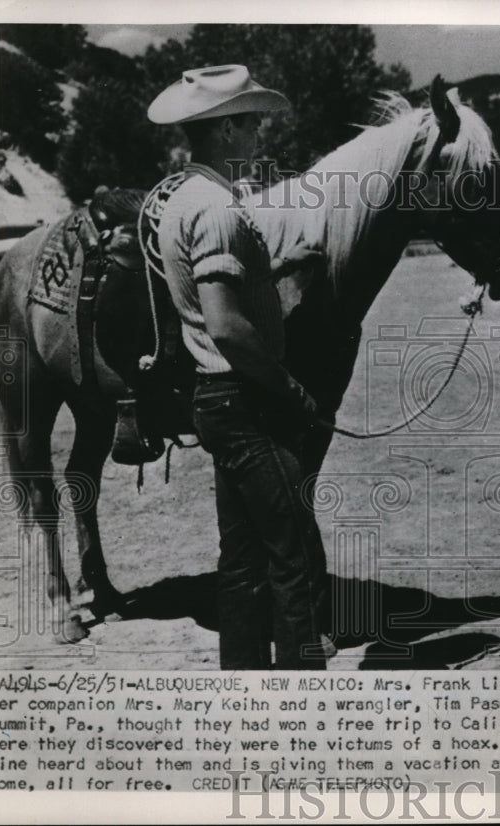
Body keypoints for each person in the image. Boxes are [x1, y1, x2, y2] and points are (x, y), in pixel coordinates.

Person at [146, 64, 332, 669]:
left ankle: (246, 687)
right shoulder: (219, 208)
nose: (259, 134)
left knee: (243, 559)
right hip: (246, 399)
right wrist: (290, 390)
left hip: (218, 400)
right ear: (225, 130)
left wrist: (276, 268)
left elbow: (213, 296)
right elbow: (225, 324)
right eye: (250, 122)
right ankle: (302, 691)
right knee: (294, 553)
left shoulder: (187, 196)